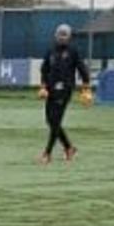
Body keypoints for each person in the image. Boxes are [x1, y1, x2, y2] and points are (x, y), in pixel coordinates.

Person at [37, 23, 91, 164]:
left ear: (69, 37)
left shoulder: (73, 51)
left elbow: (82, 69)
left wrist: (86, 88)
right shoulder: (50, 50)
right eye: (60, 35)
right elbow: (44, 69)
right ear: (55, 36)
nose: (62, 38)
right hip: (50, 90)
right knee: (50, 121)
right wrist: (43, 86)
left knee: (55, 121)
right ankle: (69, 147)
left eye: (65, 35)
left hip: (65, 89)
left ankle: (47, 153)